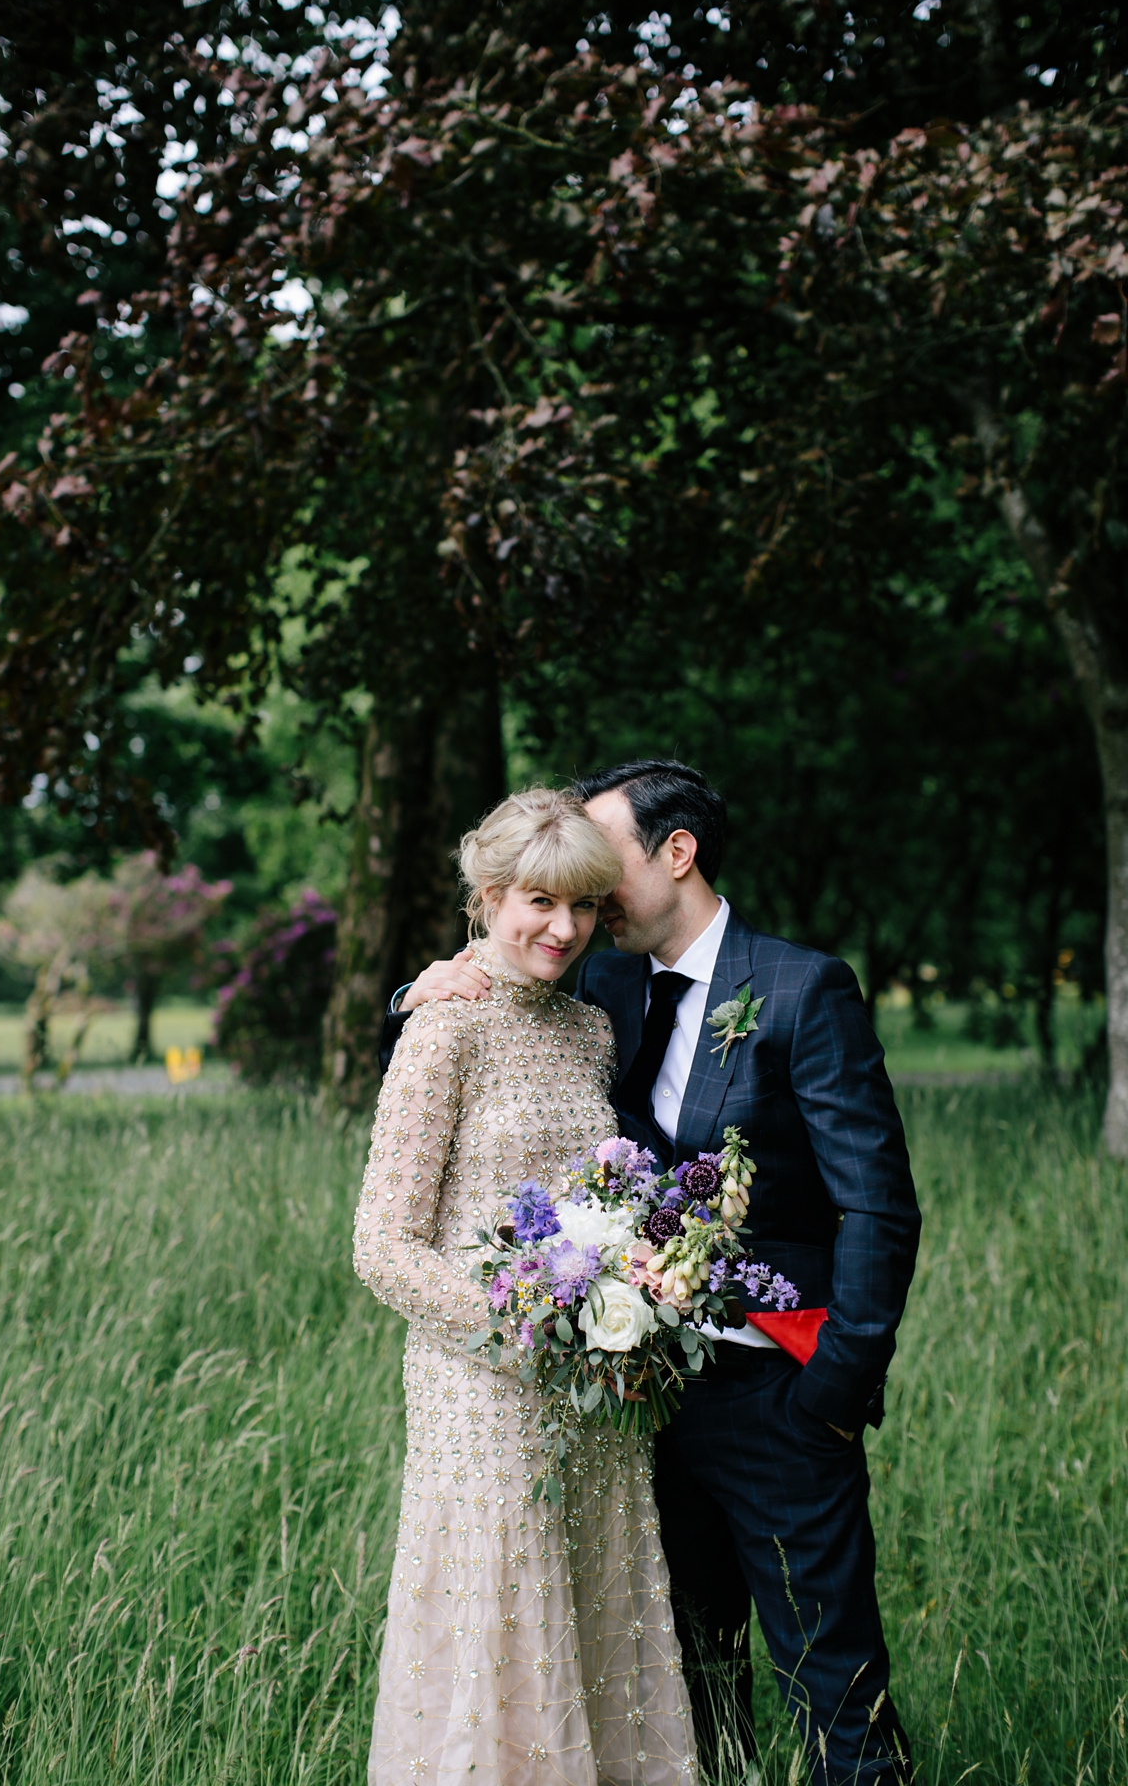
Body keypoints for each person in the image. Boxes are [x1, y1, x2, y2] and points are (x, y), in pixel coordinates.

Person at [381, 760, 921, 1785]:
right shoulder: (599, 984)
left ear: (676, 854)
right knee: (677, 1685)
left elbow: (878, 1208)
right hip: (629, 1406)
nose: (579, 901)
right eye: (562, 886)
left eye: (601, 869)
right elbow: (463, 1041)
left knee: (833, 1683)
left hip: (779, 1397)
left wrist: (835, 1397)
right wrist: (418, 987)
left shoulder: (803, 990)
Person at [354, 787, 697, 1786]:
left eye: (584, 906)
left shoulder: (591, 1030)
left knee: (594, 1621)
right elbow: (382, 1244)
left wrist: (621, 1300)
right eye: (539, 904)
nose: (564, 928)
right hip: (485, 1391)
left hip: (599, 1390)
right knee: (502, 1623)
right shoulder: (445, 1026)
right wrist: (529, 1327)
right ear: (492, 897)